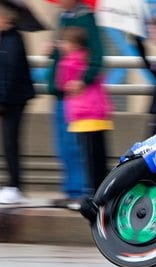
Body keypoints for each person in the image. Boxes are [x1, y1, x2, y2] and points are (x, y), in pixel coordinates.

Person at [46, 0, 104, 210]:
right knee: (63, 146)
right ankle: (70, 190)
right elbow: (65, 51)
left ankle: (81, 192)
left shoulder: (86, 18)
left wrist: (84, 79)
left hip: (78, 96)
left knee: (76, 145)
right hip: (61, 92)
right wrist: (53, 50)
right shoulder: (63, 18)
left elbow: (96, 57)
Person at [55, 26, 114, 195]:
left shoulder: (67, 63)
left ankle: (93, 193)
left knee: (87, 158)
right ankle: (103, 190)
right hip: (99, 113)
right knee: (100, 156)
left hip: (83, 116)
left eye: (64, 42)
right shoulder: (90, 62)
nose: (62, 46)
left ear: (74, 44)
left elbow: (61, 84)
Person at [0, 4, 36, 204]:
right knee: (8, 143)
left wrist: (3, 100)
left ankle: (15, 185)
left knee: (11, 143)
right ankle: (11, 184)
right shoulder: (5, 39)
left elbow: (10, 74)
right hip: (8, 99)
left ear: (6, 19)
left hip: (13, 100)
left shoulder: (14, 39)